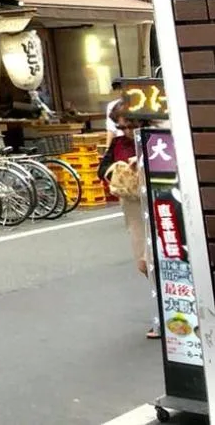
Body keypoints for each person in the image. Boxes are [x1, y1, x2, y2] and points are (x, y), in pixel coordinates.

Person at [100, 99, 158, 338]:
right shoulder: (119, 143)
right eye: (120, 127)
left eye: (127, 126)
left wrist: (142, 163)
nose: (124, 131)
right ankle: (166, 311)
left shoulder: (156, 138)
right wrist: (118, 168)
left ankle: (166, 316)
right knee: (143, 263)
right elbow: (102, 168)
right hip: (133, 206)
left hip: (158, 203)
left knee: (156, 261)